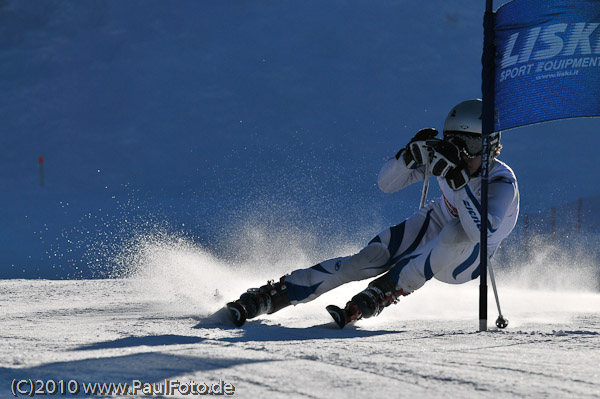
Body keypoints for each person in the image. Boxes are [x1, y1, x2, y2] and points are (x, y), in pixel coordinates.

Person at [225, 99, 520, 328]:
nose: (461, 153)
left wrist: (456, 181)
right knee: (366, 260)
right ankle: (278, 293)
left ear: (490, 147)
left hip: (470, 257)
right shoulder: (450, 161)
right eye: (454, 143)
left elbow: (481, 230)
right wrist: (407, 157)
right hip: (440, 220)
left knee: (455, 234)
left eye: (469, 145)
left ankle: (386, 290)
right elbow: (386, 184)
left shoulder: (502, 181)